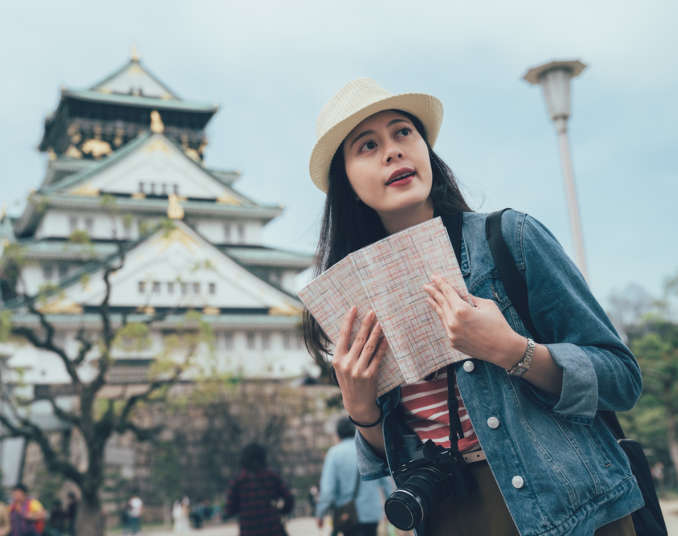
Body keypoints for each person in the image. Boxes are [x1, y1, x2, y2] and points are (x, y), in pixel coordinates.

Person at [302, 78, 644, 535]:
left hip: (576, 514)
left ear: (426, 148)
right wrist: (362, 410)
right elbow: (388, 460)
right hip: (452, 517)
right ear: (346, 181)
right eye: (368, 145)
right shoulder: (349, 301)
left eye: (404, 132)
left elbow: (621, 378)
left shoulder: (511, 240)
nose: (393, 151)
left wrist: (513, 352)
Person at [316, 417, 394, 536]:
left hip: (348, 516)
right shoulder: (368, 448)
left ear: (338, 434)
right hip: (371, 513)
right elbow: (385, 482)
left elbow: (328, 490)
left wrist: (321, 513)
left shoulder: (334, 454)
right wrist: (392, 508)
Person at [224, 443, 294, 536]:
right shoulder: (272, 476)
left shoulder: (239, 480)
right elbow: (289, 498)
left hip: (249, 530)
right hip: (273, 529)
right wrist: (282, 511)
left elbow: (230, 508)